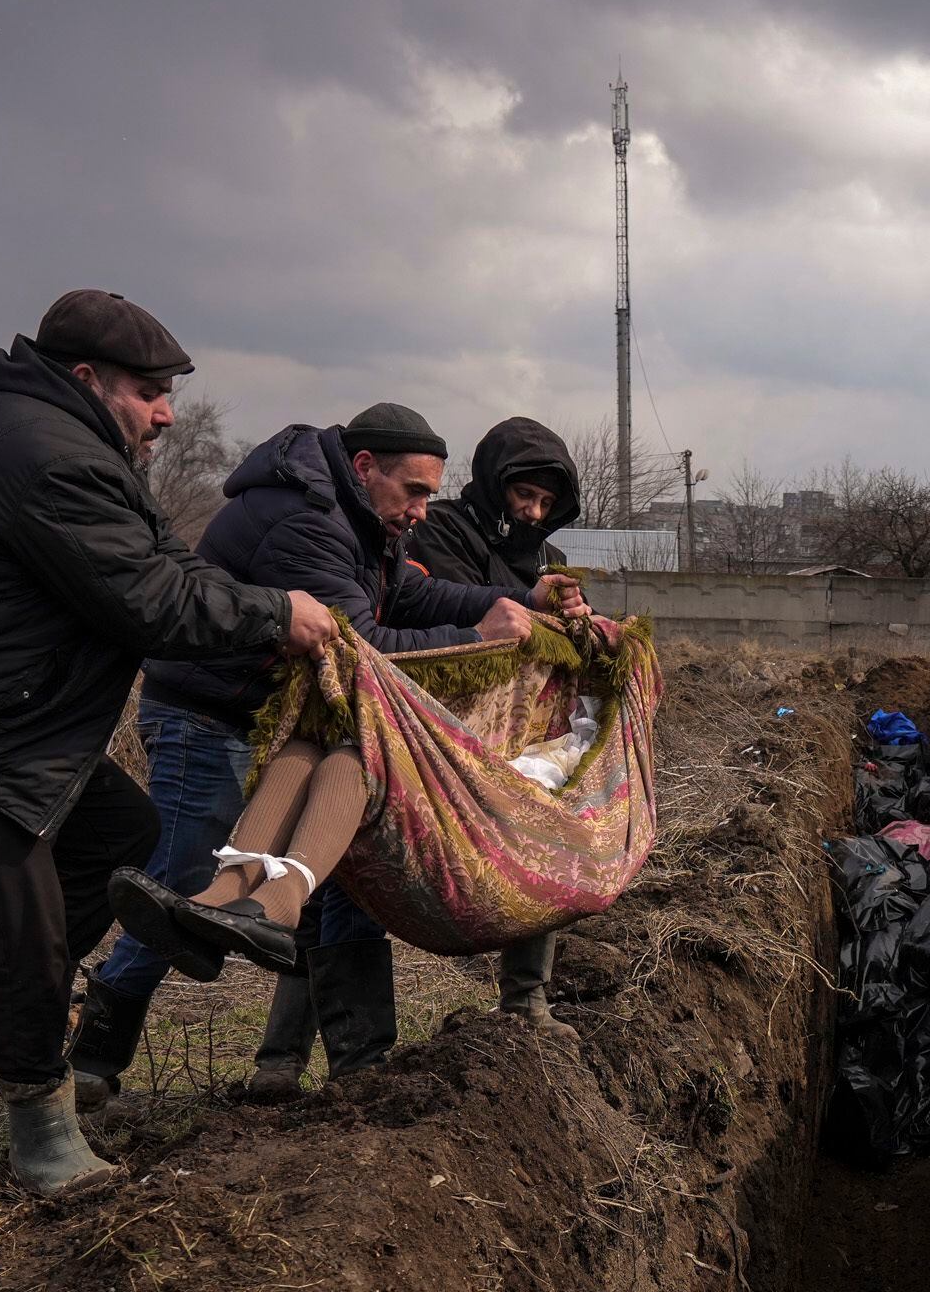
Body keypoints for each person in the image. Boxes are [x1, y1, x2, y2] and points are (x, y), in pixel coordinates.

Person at [0, 290, 337, 1200]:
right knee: (24, 914)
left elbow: (170, 563)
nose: (166, 411)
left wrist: (254, 599)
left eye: (169, 390)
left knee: (116, 836)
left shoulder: (77, 446)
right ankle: (42, 1130)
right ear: (87, 379)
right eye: (149, 390)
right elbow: (150, 604)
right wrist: (274, 613)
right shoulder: (49, 457)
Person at [66, 405, 583, 1102]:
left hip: (282, 719)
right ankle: (94, 1056)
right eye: (414, 492)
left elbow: (412, 592)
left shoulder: (363, 520)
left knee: (340, 880)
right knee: (184, 883)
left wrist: (514, 598)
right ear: (365, 468)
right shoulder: (309, 524)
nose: (423, 511)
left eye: (432, 494)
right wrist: (481, 633)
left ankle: (358, 1068)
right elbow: (360, 648)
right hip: (208, 713)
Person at [408, 418, 586, 1029]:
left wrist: (576, 618)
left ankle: (526, 1001)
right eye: (524, 496)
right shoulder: (439, 530)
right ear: (493, 483)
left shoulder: (550, 559)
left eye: (545, 502)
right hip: (432, 721)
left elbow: (552, 641)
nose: (534, 512)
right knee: (359, 875)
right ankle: (293, 1053)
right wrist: (530, 602)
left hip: (521, 728)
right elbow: (447, 601)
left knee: (544, 834)